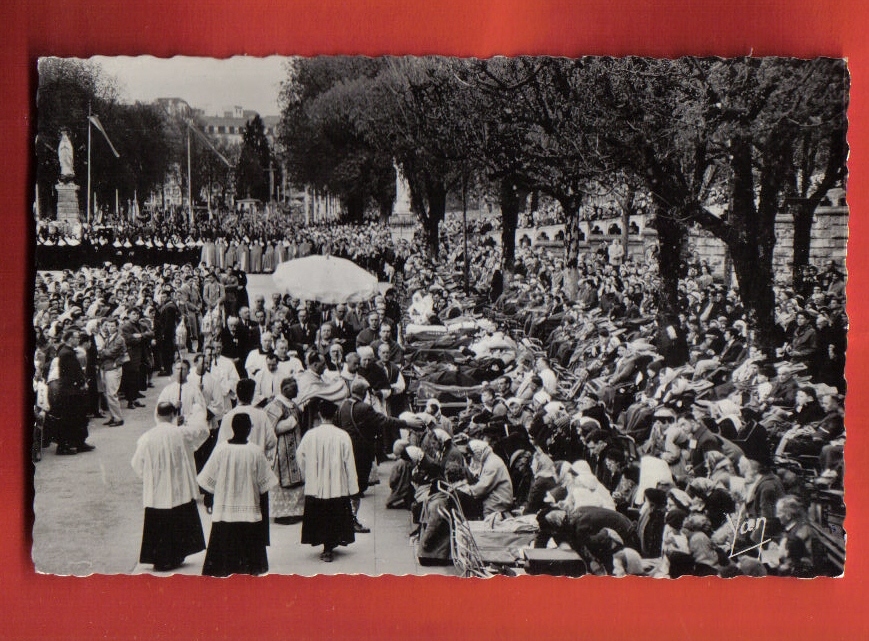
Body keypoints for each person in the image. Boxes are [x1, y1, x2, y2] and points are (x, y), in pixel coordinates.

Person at [131, 401, 210, 572]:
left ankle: (160, 559)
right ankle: (177, 555)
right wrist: (189, 418)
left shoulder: (146, 437)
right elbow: (203, 432)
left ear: (158, 415)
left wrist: (150, 478)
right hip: (178, 487)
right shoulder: (180, 433)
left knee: (159, 522)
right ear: (173, 415)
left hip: (156, 490)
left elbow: (137, 464)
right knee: (178, 518)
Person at [198, 413, 278, 576]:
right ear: (249, 429)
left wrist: (208, 500)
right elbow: (264, 487)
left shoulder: (220, 450)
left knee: (223, 566)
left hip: (224, 513)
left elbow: (208, 480)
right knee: (248, 568)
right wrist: (261, 511)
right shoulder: (255, 452)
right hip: (249, 513)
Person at [336, 379, 412, 532]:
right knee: (358, 487)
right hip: (362, 452)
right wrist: (406, 423)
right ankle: (353, 520)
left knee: (350, 485)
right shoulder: (364, 408)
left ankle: (347, 518)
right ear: (364, 393)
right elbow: (384, 420)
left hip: (346, 450)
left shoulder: (343, 406)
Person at [296, 401, 359, 563]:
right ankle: (329, 547)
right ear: (335, 415)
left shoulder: (310, 435)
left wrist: (308, 475)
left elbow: (300, 456)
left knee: (319, 515)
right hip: (337, 485)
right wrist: (353, 489)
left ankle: (326, 547)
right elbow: (349, 463)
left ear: (319, 414)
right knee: (334, 515)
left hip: (316, 485)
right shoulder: (342, 435)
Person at [264, 378, 306, 525]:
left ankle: (296, 511)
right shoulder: (274, 406)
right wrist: (290, 422)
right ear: (285, 389)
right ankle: (282, 514)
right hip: (281, 450)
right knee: (282, 482)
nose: (297, 391)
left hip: (295, 448)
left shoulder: (293, 404)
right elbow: (269, 428)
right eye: (294, 388)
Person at [97, 316, 127, 426]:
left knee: (112, 394)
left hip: (113, 368)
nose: (110, 328)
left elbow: (111, 353)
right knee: (108, 394)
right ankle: (113, 416)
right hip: (108, 367)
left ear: (117, 327)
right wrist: (103, 351)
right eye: (108, 326)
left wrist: (102, 351)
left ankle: (118, 418)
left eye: (112, 326)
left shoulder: (119, 339)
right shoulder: (109, 337)